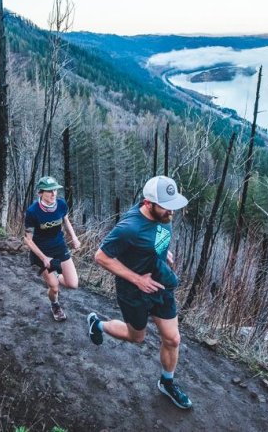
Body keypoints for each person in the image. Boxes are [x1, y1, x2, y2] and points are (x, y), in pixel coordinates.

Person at [87, 175, 192, 409]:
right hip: (134, 290)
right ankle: (98, 324)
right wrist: (136, 279)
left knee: (173, 339)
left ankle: (167, 382)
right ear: (148, 203)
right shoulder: (129, 228)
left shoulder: (163, 213)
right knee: (137, 337)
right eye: (166, 206)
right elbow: (101, 257)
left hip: (160, 281)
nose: (171, 211)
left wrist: (162, 253)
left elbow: (156, 236)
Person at [24, 176, 80, 321]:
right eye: (49, 191)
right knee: (54, 287)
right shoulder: (32, 212)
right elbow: (28, 240)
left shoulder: (61, 204)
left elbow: (66, 220)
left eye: (55, 190)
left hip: (60, 247)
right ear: (40, 193)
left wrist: (73, 237)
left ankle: (55, 275)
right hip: (43, 251)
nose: (53, 194)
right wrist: (44, 258)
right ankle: (55, 305)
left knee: (73, 284)